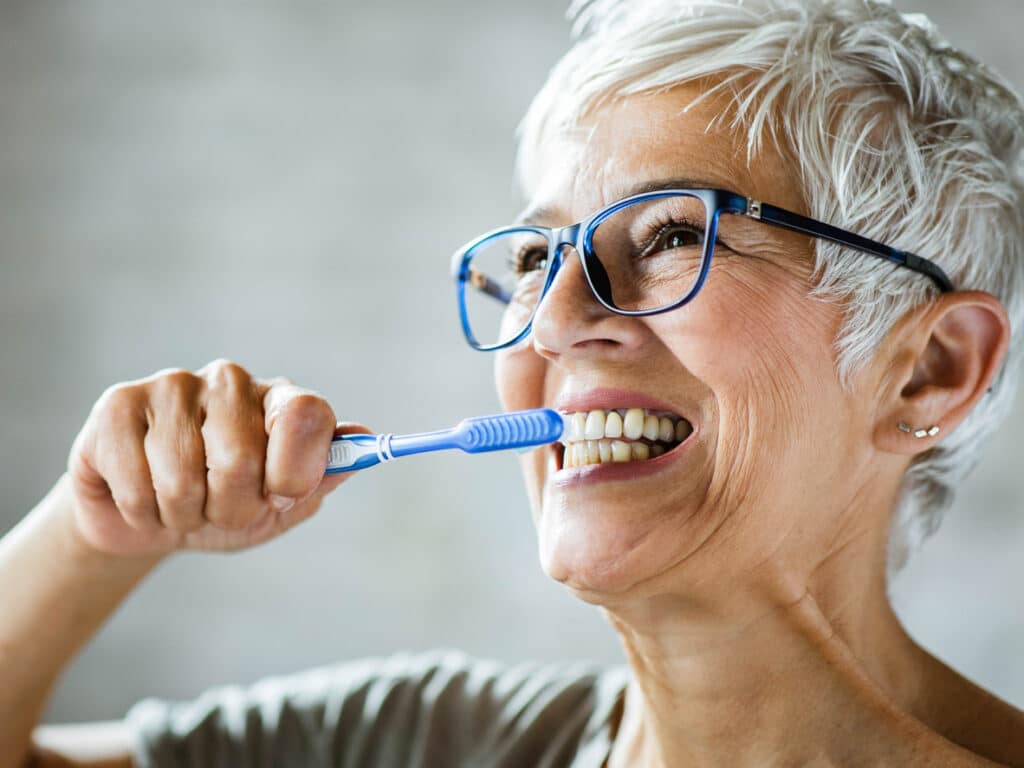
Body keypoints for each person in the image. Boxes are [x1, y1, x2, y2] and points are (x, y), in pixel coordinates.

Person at [5, 0, 1024, 765]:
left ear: (927, 372)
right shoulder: (416, 743)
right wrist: (95, 533)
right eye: (536, 261)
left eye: (672, 234)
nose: (557, 317)